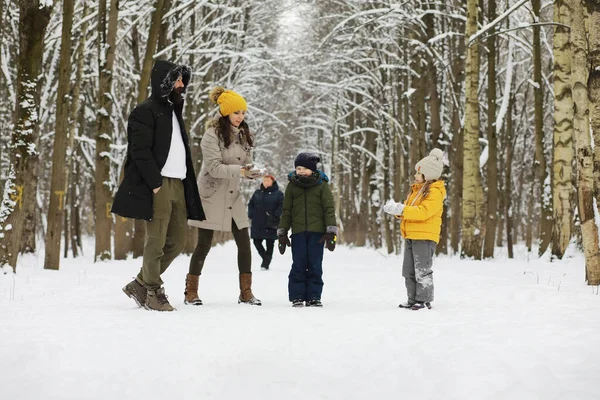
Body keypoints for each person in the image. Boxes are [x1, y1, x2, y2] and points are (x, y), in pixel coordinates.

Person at [113, 60, 205, 312]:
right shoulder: (145, 111)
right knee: (156, 240)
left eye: (182, 80)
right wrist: (154, 183)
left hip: (179, 183)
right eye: (177, 80)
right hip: (159, 184)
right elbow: (139, 150)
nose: (181, 84)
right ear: (164, 82)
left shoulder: (175, 112)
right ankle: (152, 291)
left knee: (177, 240)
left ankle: (141, 282)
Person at [184, 86, 264, 306]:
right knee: (204, 245)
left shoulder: (244, 135)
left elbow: (244, 163)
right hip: (211, 194)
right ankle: (191, 292)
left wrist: (251, 171)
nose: (241, 117)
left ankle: (245, 292)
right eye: (237, 112)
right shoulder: (211, 135)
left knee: (244, 244)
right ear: (226, 112)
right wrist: (239, 171)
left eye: (243, 113)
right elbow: (213, 167)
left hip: (233, 195)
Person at [383, 148, 446, 310]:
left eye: (419, 173)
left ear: (428, 175)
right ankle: (412, 299)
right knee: (408, 270)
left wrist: (402, 210)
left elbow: (424, 212)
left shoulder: (435, 192)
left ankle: (423, 300)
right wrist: (398, 210)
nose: (415, 176)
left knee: (422, 269)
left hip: (425, 236)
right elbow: (410, 211)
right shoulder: (416, 191)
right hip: (410, 234)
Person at [277, 152, 338, 308]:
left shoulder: (322, 185)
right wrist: (283, 232)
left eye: (304, 168)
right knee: (298, 264)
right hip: (297, 233)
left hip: (317, 233)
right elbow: (287, 211)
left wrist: (331, 232)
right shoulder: (292, 186)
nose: (301, 171)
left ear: (312, 169)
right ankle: (297, 296)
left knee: (315, 264)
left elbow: (329, 209)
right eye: (298, 168)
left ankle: (314, 296)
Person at [248, 175, 284, 270]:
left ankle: (265, 264)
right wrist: (251, 214)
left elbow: (282, 206)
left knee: (270, 243)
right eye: (264, 181)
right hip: (257, 222)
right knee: (256, 242)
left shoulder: (278, 194)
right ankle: (266, 258)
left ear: (272, 182)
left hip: (270, 222)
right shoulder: (257, 193)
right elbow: (250, 204)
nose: (266, 182)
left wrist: (275, 215)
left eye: (268, 181)